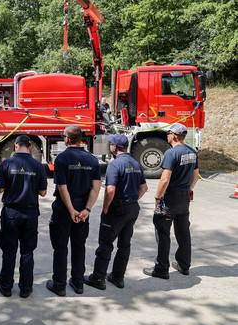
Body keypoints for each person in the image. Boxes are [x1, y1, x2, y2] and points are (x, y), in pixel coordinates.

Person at [84, 134, 148, 290]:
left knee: (105, 243)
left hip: (117, 209)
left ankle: (98, 278)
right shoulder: (135, 163)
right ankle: (118, 277)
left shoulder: (115, 164)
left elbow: (110, 190)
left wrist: (106, 207)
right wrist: (132, 200)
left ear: (114, 147)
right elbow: (144, 188)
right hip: (132, 208)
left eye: (111, 144)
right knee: (124, 245)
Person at [47, 125, 101, 296]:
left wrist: (71, 210)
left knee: (60, 247)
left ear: (68, 139)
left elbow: (62, 188)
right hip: (82, 206)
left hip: (64, 208)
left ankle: (59, 285)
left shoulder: (62, 159)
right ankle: (78, 284)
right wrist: (87, 209)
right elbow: (96, 188)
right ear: (81, 139)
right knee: (79, 246)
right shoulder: (92, 159)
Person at [144, 123, 199, 279]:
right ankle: (184, 265)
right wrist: (188, 190)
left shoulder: (171, 153)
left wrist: (158, 197)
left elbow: (165, 179)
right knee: (183, 232)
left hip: (171, 198)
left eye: (168, 133)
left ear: (174, 135)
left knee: (162, 231)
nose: (167, 135)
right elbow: (195, 176)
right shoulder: (192, 152)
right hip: (184, 197)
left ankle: (161, 269)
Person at [0, 135, 47, 298]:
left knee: (9, 251)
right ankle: (25, 288)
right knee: (27, 252)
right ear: (30, 147)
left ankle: (6, 287)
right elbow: (43, 192)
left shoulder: (7, 163)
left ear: (16, 146)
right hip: (30, 213)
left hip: (11, 212)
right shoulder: (38, 165)